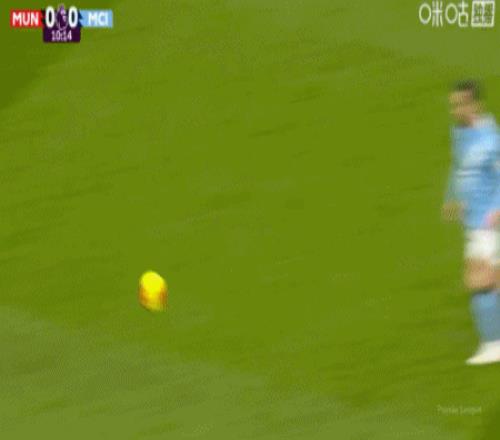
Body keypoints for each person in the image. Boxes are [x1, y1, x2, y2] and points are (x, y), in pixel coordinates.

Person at [443, 80, 500, 365]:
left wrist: (498, 208)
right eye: (453, 105)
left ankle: (493, 345)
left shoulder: (491, 139)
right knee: (489, 280)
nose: (455, 110)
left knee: (478, 280)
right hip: (473, 220)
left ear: (475, 104)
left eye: (460, 104)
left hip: (488, 221)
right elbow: (458, 166)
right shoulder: (460, 133)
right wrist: (451, 197)